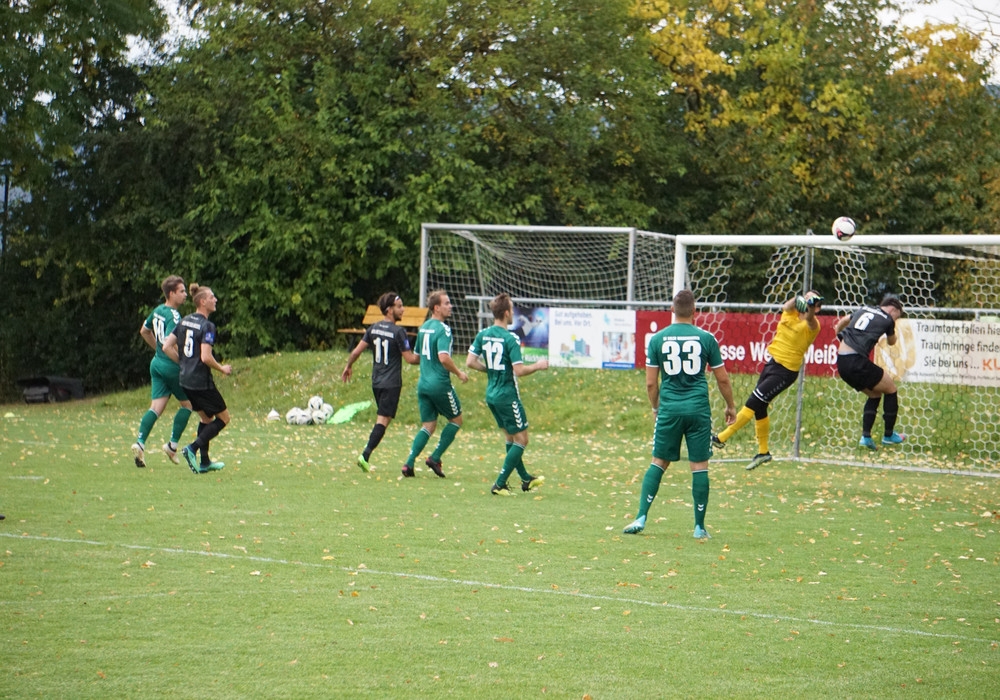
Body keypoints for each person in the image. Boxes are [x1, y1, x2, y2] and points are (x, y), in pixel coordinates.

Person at [623, 290, 737, 538]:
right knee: (700, 466)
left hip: (670, 409)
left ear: (671, 310)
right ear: (695, 311)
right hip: (698, 410)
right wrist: (730, 406)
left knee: (659, 461)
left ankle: (641, 516)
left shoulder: (657, 339)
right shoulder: (706, 338)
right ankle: (699, 527)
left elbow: (651, 384)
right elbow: (723, 379)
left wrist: (656, 408)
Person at [712, 291, 824, 470]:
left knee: (752, 402)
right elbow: (786, 305)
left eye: (813, 302)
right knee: (760, 407)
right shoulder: (790, 313)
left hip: (786, 371)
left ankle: (720, 438)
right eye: (806, 298)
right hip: (772, 364)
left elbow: (810, 319)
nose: (807, 302)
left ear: (817, 308)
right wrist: (799, 298)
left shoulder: (813, 325)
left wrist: (810, 306)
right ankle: (763, 452)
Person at [466, 293, 549, 495]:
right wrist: (538, 366)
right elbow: (519, 370)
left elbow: (470, 362)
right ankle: (500, 484)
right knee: (522, 440)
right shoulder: (510, 338)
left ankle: (526, 479)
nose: (513, 313)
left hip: (491, 394)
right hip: (507, 395)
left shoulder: (483, 334)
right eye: (511, 309)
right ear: (505, 313)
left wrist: (490, 370)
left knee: (511, 438)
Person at [341, 292, 421, 472]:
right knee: (383, 421)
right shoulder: (398, 332)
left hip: (376, 382)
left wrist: (348, 366)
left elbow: (356, 352)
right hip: (391, 383)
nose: (403, 309)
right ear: (389, 310)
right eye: (399, 306)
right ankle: (365, 455)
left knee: (384, 419)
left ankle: (367, 452)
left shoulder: (373, 328)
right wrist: (429, 358)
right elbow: (410, 359)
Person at [161, 284, 232, 474]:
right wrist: (222, 369)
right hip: (201, 381)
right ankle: (192, 448)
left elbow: (166, 346)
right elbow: (206, 357)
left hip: (185, 380)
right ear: (202, 301)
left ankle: (205, 462)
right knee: (224, 418)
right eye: (212, 297)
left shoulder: (184, 321)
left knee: (206, 418)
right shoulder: (208, 326)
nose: (215, 300)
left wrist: (183, 363)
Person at [401, 290, 468, 478]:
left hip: (423, 384)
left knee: (428, 426)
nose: (450, 306)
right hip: (439, 384)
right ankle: (435, 457)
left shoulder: (423, 328)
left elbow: (416, 358)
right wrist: (459, 373)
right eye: (446, 303)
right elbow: (444, 358)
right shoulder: (443, 329)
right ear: (436, 308)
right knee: (456, 420)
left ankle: (409, 463)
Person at [131, 275, 195, 468]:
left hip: (156, 364)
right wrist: (181, 363)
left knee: (156, 408)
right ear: (171, 293)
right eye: (181, 291)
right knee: (188, 405)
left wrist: (157, 349)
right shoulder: (174, 316)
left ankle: (140, 443)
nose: (185, 295)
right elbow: (169, 344)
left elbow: (144, 331)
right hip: (170, 367)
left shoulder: (158, 310)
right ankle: (172, 446)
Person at [834, 294, 906, 450]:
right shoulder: (888, 319)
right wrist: (892, 331)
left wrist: (839, 333)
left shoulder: (864, 308)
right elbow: (891, 342)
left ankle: (866, 438)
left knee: (874, 394)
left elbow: (844, 320)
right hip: (857, 361)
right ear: (893, 310)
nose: (895, 319)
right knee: (891, 389)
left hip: (842, 362)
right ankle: (888, 435)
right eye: (897, 316)